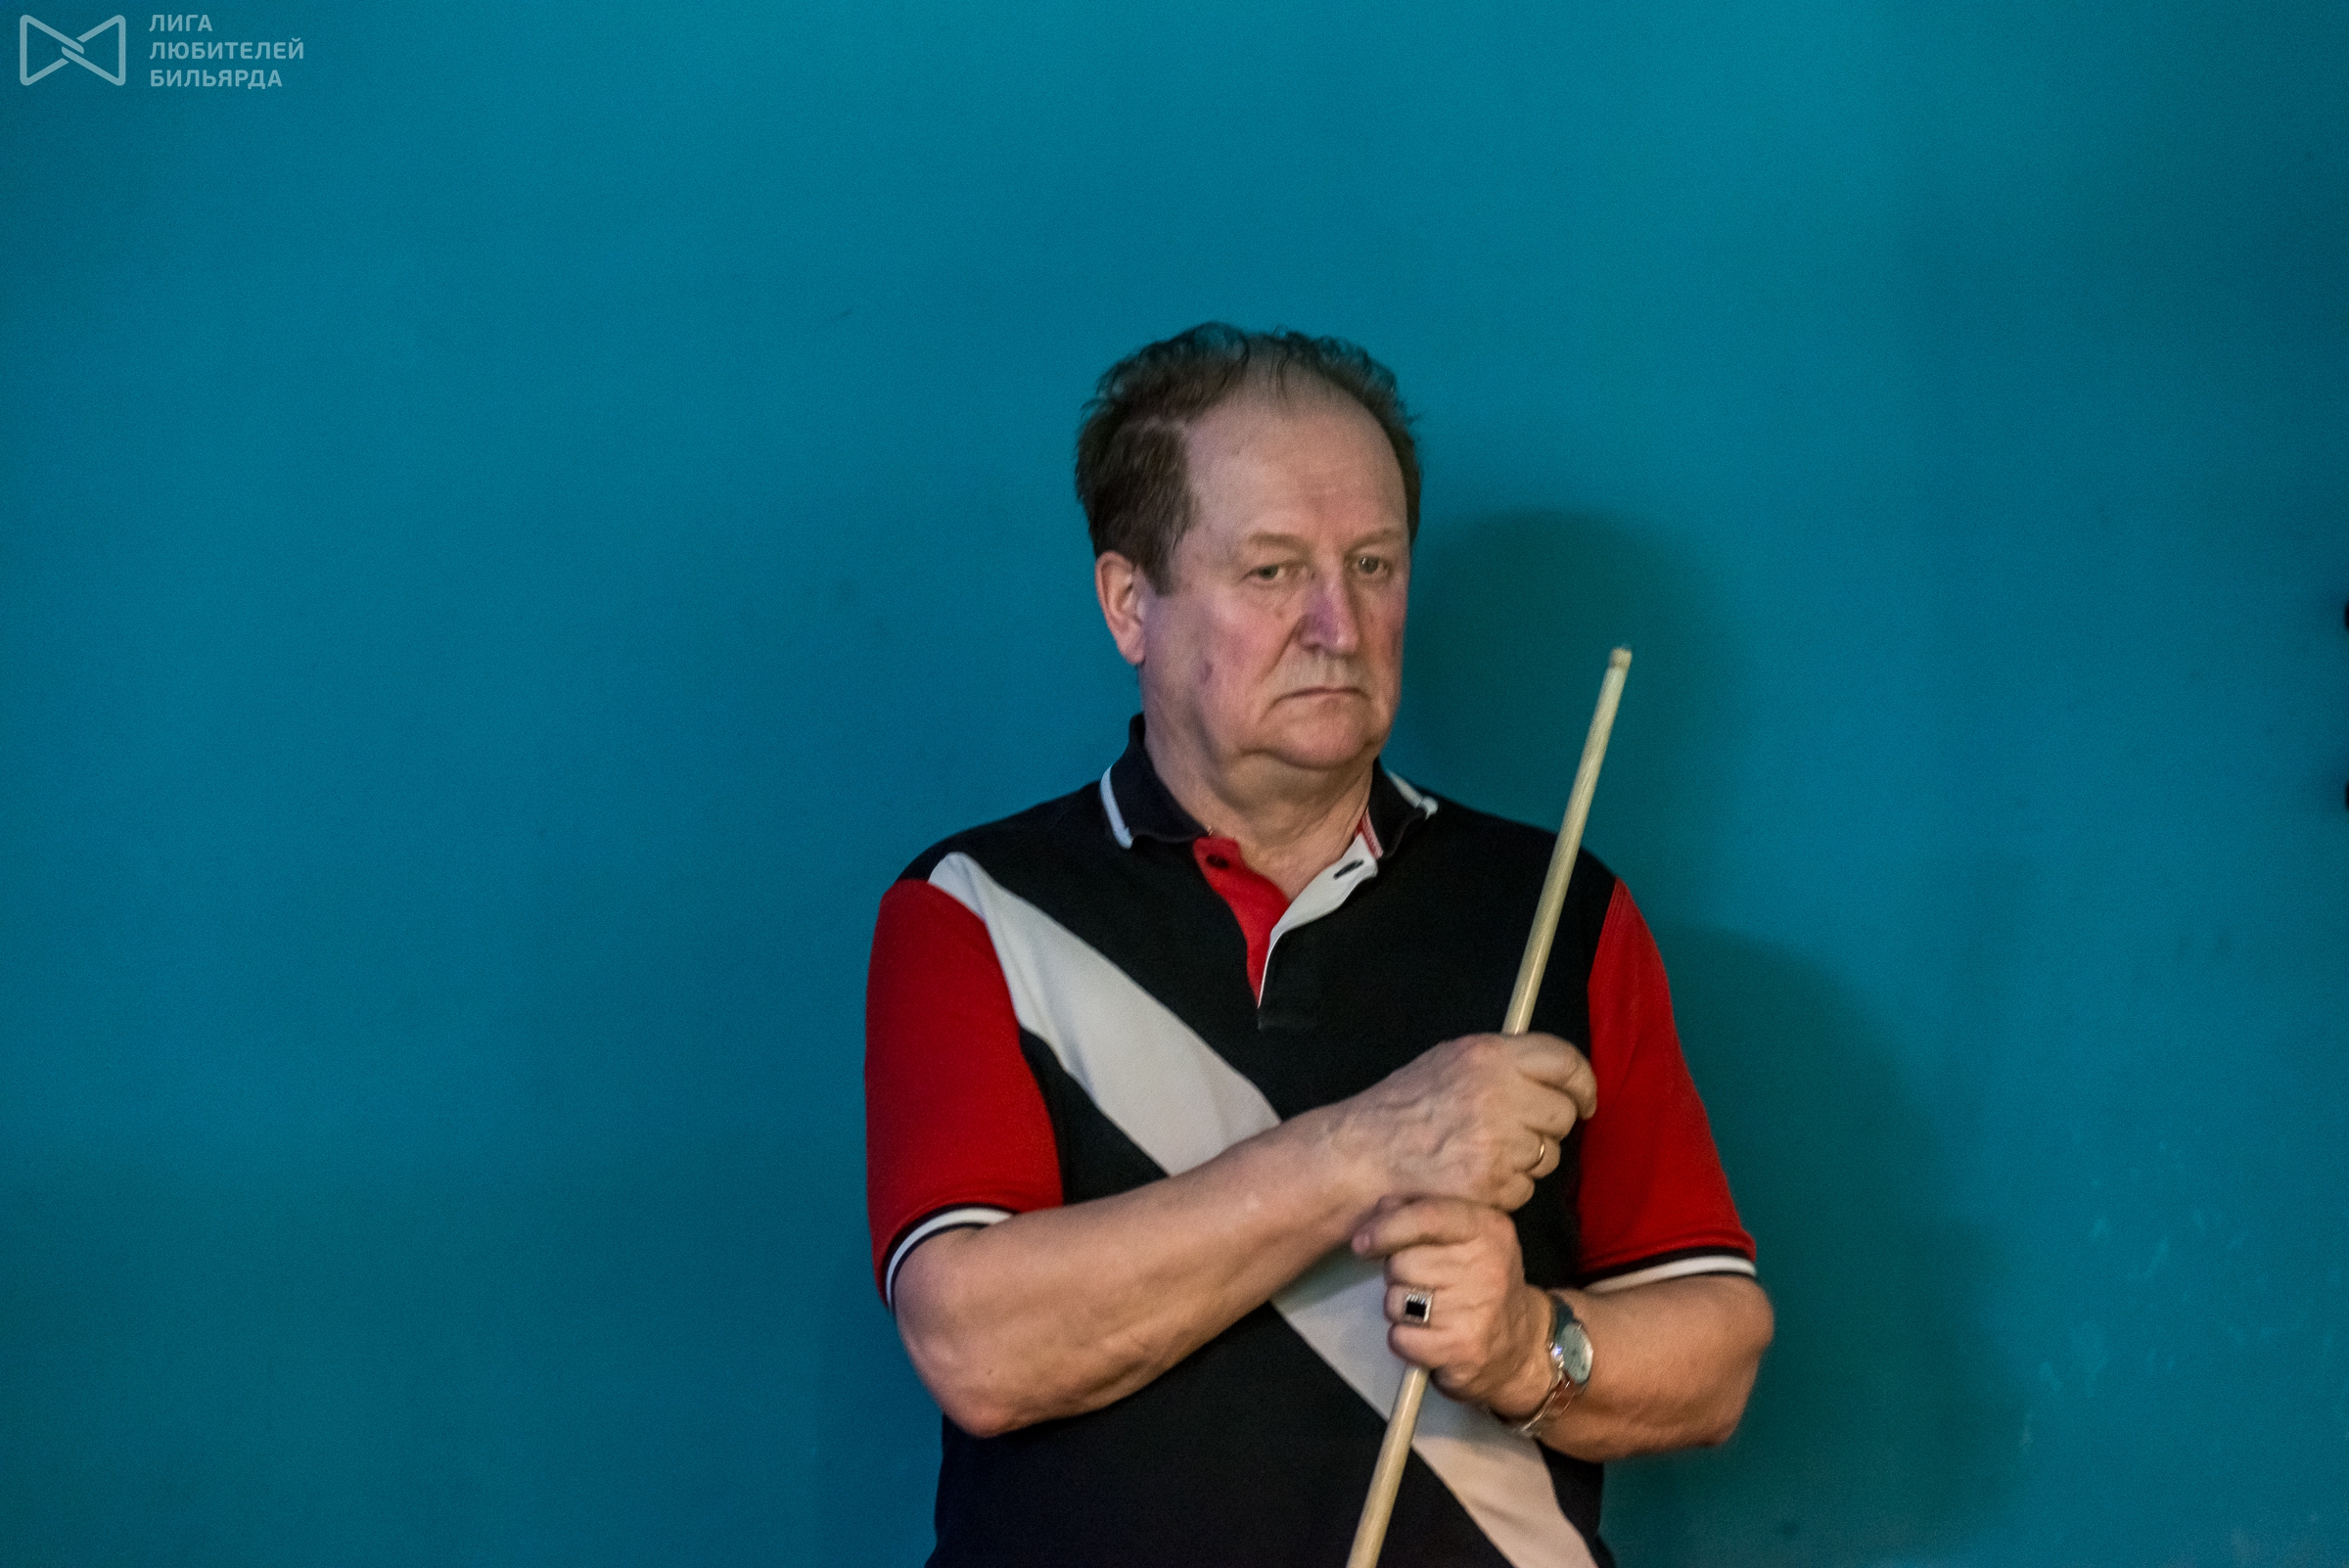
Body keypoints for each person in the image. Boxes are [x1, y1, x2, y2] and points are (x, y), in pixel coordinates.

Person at [864, 324, 1773, 1567]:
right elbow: (977, 1348)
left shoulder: (1561, 905)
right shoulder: (975, 907)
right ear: (1130, 604)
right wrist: (1373, 1147)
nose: (1339, 624)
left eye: (1373, 564)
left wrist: (1530, 1349)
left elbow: (1715, 1352)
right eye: (1273, 570)